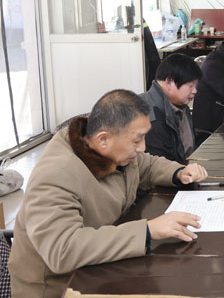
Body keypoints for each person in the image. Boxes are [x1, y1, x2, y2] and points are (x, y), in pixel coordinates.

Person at [9, 90, 209, 297]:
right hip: (58, 288)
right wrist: (147, 231)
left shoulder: (112, 151)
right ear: (103, 139)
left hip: (99, 268)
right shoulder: (56, 175)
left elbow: (146, 165)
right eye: (136, 140)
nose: (142, 147)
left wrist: (178, 173)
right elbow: (63, 250)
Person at [141, 53, 202, 163]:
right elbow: (160, 165)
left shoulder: (180, 104)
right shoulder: (150, 118)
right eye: (190, 86)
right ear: (169, 82)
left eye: (195, 86)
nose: (195, 91)